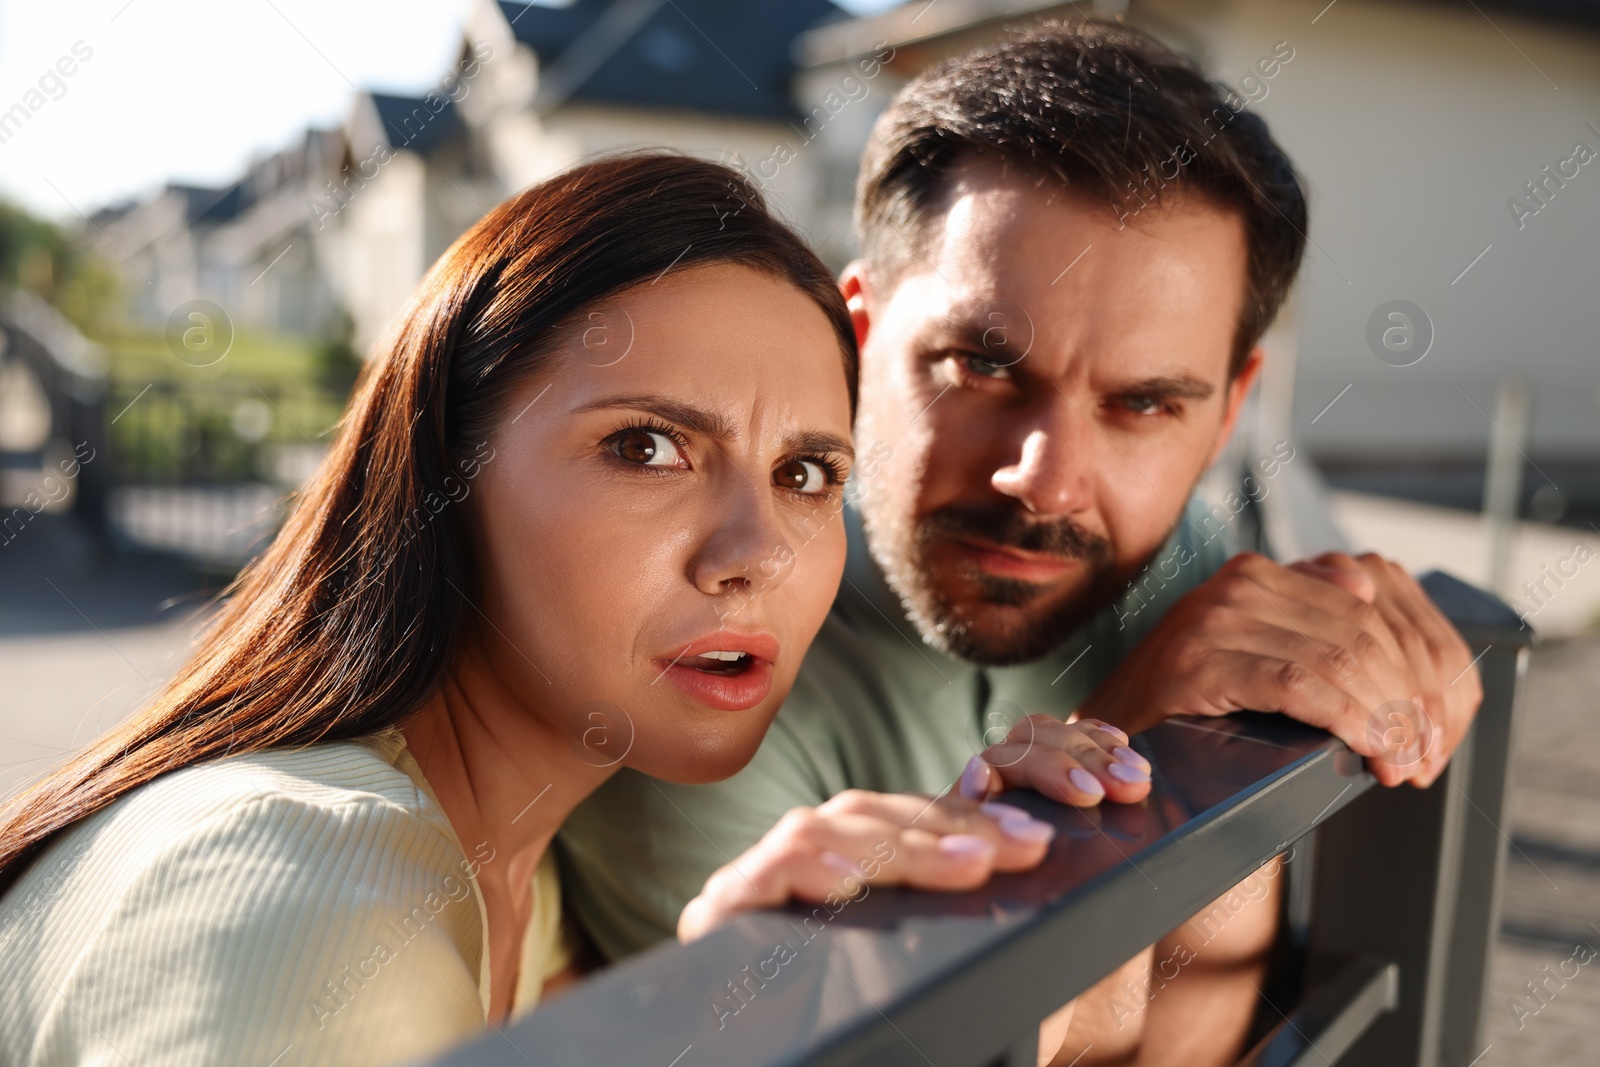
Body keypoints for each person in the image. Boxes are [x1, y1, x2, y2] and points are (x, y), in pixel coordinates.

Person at [0, 155, 1139, 1067]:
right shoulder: (311, 891)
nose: (755, 555)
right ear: (445, 473)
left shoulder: (523, 878)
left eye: (806, 474)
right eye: (645, 447)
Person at [559, 23, 1481, 1067]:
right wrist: (1135, 746)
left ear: (1226, 415)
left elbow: (1203, 1032)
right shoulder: (694, 674)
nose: (1045, 478)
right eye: (980, 365)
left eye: (1143, 403)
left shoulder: (1191, 568)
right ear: (855, 337)